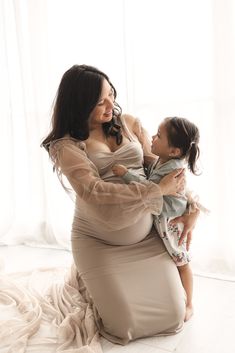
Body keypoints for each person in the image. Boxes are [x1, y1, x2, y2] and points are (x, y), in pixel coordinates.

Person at [42, 64, 200, 345]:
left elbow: (159, 166)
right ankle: (90, 279)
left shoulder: (127, 123)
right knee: (123, 327)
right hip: (99, 242)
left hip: (147, 239)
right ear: (80, 103)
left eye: (111, 94)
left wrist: (192, 207)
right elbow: (94, 191)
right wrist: (156, 191)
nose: (110, 104)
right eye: (100, 100)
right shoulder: (67, 146)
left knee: (174, 316)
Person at [112, 116, 201, 322]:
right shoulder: (164, 160)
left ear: (174, 151)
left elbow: (149, 189)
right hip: (163, 219)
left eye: (159, 136)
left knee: (182, 263)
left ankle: (189, 304)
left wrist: (126, 174)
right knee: (176, 263)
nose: (153, 137)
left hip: (171, 224)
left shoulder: (172, 168)